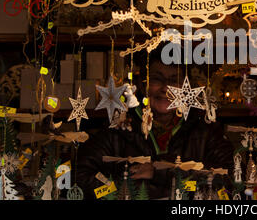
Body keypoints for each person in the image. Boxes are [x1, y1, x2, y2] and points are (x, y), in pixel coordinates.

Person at [76, 48, 234, 199]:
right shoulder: (119, 127)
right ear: (144, 84)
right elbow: (81, 176)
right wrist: (124, 188)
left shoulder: (204, 129)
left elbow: (228, 179)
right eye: (157, 79)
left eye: (174, 80)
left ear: (186, 88)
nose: (165, 88)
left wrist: (160, 174)